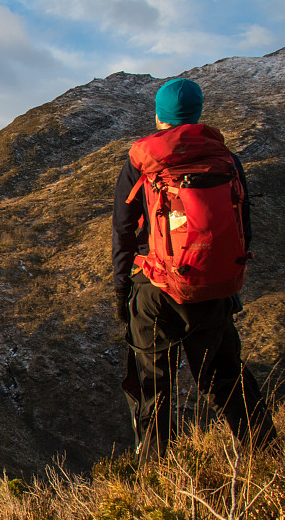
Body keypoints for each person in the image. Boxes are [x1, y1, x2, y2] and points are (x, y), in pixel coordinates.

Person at [112, 77, 277, 460]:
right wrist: (225, 279)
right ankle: (269, 458)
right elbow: (242, 226)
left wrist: (123, 290)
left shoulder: (142, 161)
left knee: (153, 388)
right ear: (198, 113)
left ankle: (156, 477)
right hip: (214, 287)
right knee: (226, 378)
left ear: (159, 115)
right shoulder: (227, 161)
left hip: (156, 290)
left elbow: (122, 228)